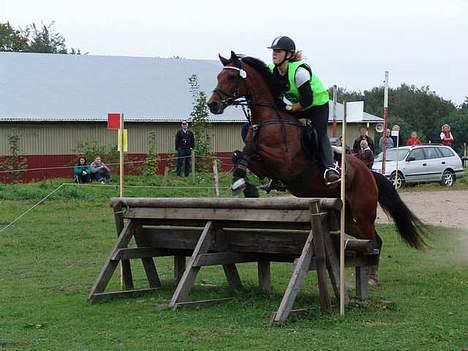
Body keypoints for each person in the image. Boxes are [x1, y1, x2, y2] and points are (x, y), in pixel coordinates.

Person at [267, 36, 340, 185]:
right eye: (273, 50)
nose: (274, 54)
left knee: (320, 133)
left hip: (317, 105)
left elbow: (307, 100)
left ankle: (330, 168)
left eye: (278, 51)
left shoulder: (300, 72)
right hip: (298, 105)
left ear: (288, 55)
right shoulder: (272, 70)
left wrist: (290, 108)